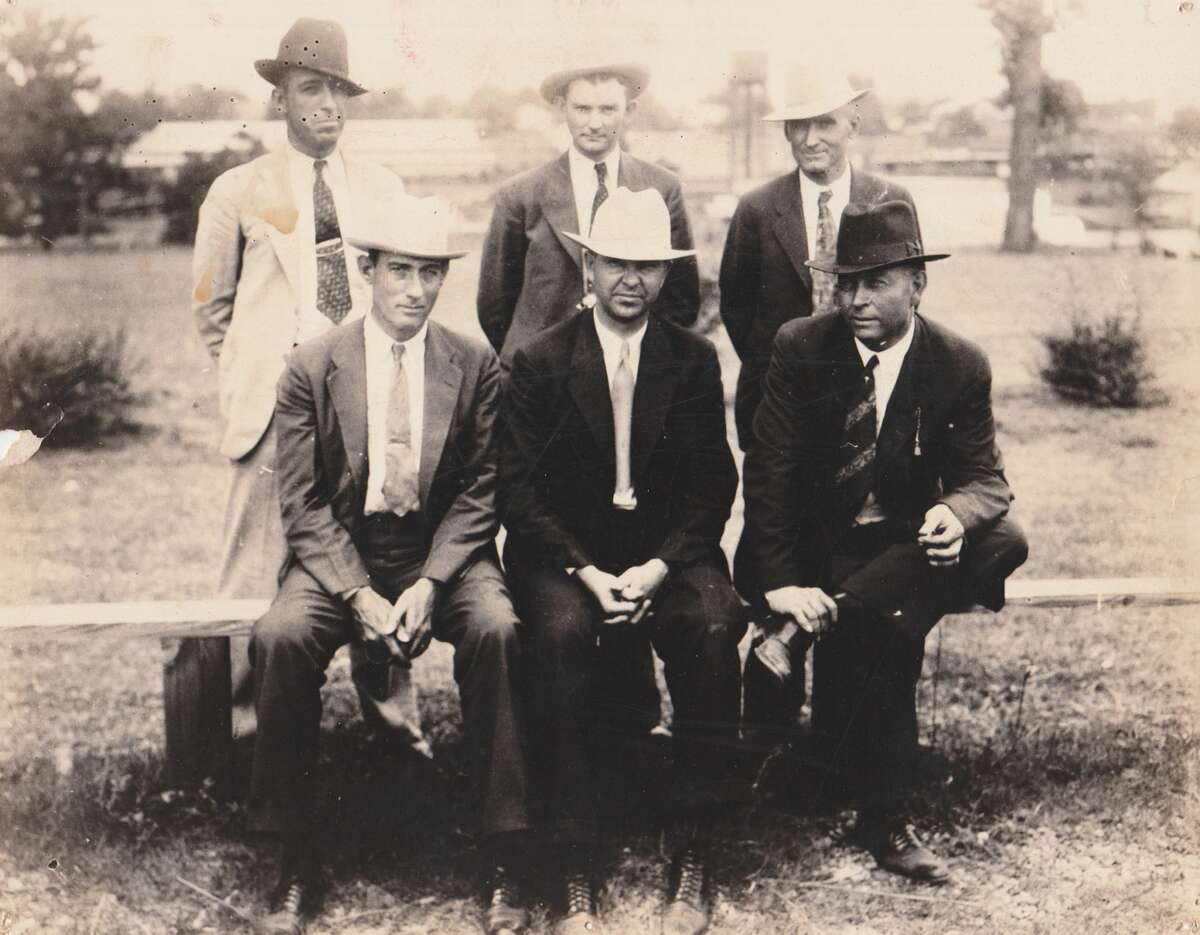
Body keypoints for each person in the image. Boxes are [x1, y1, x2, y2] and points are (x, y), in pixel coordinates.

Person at [246, 191, 531, 935]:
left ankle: (505, 852)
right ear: (368, 270)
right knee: (279, 637)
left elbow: (480, 489)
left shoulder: (473, 363)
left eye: (431, 273)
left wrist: (435, 582)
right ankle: (291, 855)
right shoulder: (313, 366)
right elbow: (303, 503)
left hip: (441, 550)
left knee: (497, 626)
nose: (416, 289)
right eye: (401, 270)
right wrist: (359, 593)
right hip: (342, 552)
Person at [736, 200, 1028, 884]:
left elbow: (986, 478)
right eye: (846, 283)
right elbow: (768, 472)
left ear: (917, 285)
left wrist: (955, 514)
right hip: (814, 547)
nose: (856, 298)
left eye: (875, 282)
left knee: (1002, 537)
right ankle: (884, 818)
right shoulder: (801, 346)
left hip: (901, 544)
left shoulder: (957, 362)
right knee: (891, 624)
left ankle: (804, 638)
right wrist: (779, 580)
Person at [500, 187, 746, 935]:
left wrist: (663, 567)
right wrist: (584, 569)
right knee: (564, 635)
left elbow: (714, 481)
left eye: (647, 265)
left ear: (668, 277)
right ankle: (576, 854)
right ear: (588, 266)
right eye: (615, 263)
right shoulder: (541, 361)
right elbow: (520, 491)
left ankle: (695, 844)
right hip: (565, 559)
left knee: (712, 621)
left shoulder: (694, 359)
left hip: (664, 558)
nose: (630, 279)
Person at [190, 18, 420, 746]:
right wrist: (272, 381)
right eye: (309, 89)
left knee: (375, 563)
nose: (325, 105)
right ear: (281, 98)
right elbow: (213, 309)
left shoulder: (381, 188)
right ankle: (248, 737)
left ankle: (394, 731)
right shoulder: (237, 190)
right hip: (271, 415)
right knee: (253, 580)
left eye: (337, 91)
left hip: (362, 410)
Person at [718, 71, 916, 449]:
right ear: (786, 132)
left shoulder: (891, 198)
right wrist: (784, 366)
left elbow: (907, 294)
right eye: (799, 126)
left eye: (826, 123)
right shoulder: (757, 208)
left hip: (869, 391)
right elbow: (736, 305)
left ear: (852, 125)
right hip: (778, 401)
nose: (811, 140)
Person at [477, 61, 700, 370]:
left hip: (629, 371)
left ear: (630, 110)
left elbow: (682, 296)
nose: (594, 123)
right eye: (582, 109)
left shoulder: (661, 187)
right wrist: (531, 360)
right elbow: (494, 304)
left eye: (608, 109)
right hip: (542, 379)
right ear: (561, 107)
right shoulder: (520, 195)